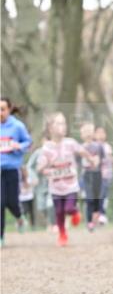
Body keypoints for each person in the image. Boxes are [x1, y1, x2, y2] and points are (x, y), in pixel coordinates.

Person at [36, 112, 95, 246]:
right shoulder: (47, 147)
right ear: (50, 128)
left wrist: (91, 160)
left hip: (70, 185)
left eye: (64, 123)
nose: (63, 126)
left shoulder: (70, 143)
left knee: (68, 208)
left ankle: (75, 212)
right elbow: (40, 168)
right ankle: (62, 235)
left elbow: (82, 151)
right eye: (59, 123)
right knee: (59, 211)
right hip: (55, 186)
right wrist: (45, 166)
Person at [0, 97, 32, 246]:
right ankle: (1, 237)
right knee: (0, 203)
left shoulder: (17, 126)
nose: (0, 112)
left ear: (9, 109)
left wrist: (18, 146)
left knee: (12, 202)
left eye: (2, 109)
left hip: (12, 169)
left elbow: (28, 143)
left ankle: (19, 217)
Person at [79, 122, 106, 231]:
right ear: (81, 135)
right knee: (89, 198)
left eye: (90, 131)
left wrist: (97, 164)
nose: (88, 134)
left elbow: (101, 160)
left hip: (97, 174)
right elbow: (77, 162)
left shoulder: (99, 147)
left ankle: (97, 217)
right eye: (85, 132)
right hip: (86, 175)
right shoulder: (80, 148)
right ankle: (89, 222)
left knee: (97, 198)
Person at [95, 126, 113, 224]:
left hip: (106, 175)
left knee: (103, 195)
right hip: (96, 176)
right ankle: (99, 214)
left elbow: (111, 159)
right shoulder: (93, 146)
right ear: (95, 135)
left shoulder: (107, 146)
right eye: (98, 133)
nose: (101, 135)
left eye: (103, 133)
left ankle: (102, 214)